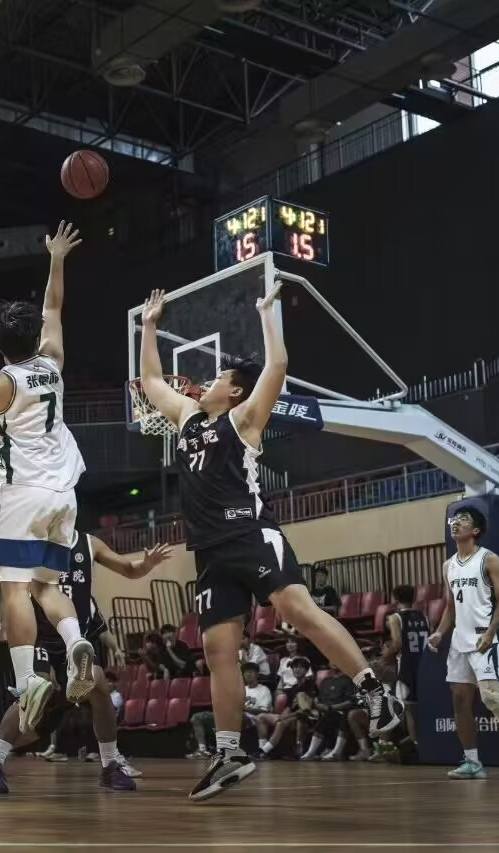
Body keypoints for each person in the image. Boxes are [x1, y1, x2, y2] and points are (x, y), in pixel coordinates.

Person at [138, 286, 401, 801]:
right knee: (217, 649)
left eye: (218, 378)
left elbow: (277, 365)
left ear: (235, 392)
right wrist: (149, 325)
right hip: (210, 551)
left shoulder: (244, 420)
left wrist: (265, 314)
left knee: (296, 609)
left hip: (250, 533)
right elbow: (150, 380)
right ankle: (230, 753)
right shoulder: (187, 419)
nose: (206, 382)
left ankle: (376, 693)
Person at [0, 221, 91, 734]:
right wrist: (57, 258)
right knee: (46, 586)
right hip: (64, 494)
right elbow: (53, 306)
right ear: (34, 337)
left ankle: (27, 679)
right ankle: (75, 641)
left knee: (13, 588)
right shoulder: (53, 362)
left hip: (21, 493)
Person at [0, 532, 171, 794]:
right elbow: (1, 582)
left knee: (99, 685)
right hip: (41, 638)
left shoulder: (89, 543)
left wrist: (146, 565)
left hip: (75, 639)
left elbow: (128, 568)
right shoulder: (33, 538)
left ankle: (110, 765)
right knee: (35, 688)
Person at [427, 507, 499, 781]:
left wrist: (491, 631)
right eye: (455, 519)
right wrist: (439, 633)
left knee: (491, 698)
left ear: (475, 530)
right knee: (460, 700)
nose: (456, 523)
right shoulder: (448, 565)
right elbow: (451, 606)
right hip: (459, 640)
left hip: (483, 637)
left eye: (463, 520)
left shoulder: (489, 559)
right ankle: (473, 762)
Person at [189, 661, 272, 759]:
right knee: (197, 717)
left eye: (251, 672)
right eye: (246, 672)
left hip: (250, 718)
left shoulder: (264, 690)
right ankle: (202, 750)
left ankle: (222, 750)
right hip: (232, 715)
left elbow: (264, 711)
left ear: (257, 674)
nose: (248, 674)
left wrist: (244, 708)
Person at [383, 584, 430, 752]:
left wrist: (386, 655)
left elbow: (397, 643)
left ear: (395, 599)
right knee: (424, 706)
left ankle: (415, 746)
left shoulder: (395, 618)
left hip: (407, 666)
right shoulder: (424, 616)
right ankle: (427, 741)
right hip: (425, 665)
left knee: (409, 708)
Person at [256, 658, 317, 759]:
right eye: (295, 667)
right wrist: (282, 716)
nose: (297, 669)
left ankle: (265, 751)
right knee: (260, 717)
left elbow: (306, 708)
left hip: (304, 717)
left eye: (300, 667)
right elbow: (288, 707)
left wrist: (285, 717)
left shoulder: (310, 685)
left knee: (282, 723)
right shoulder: (293, 688)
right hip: (291, 716)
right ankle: (261, 748)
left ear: (306, 671)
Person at [313, 670, 372, 762]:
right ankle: (319, 751)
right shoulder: (328, 681)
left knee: (347, 714)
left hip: (367, 710)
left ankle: (337, 751)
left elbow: (352, 701)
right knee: (332, 716)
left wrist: (332, 707)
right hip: (355, 710)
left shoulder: (350, 681)